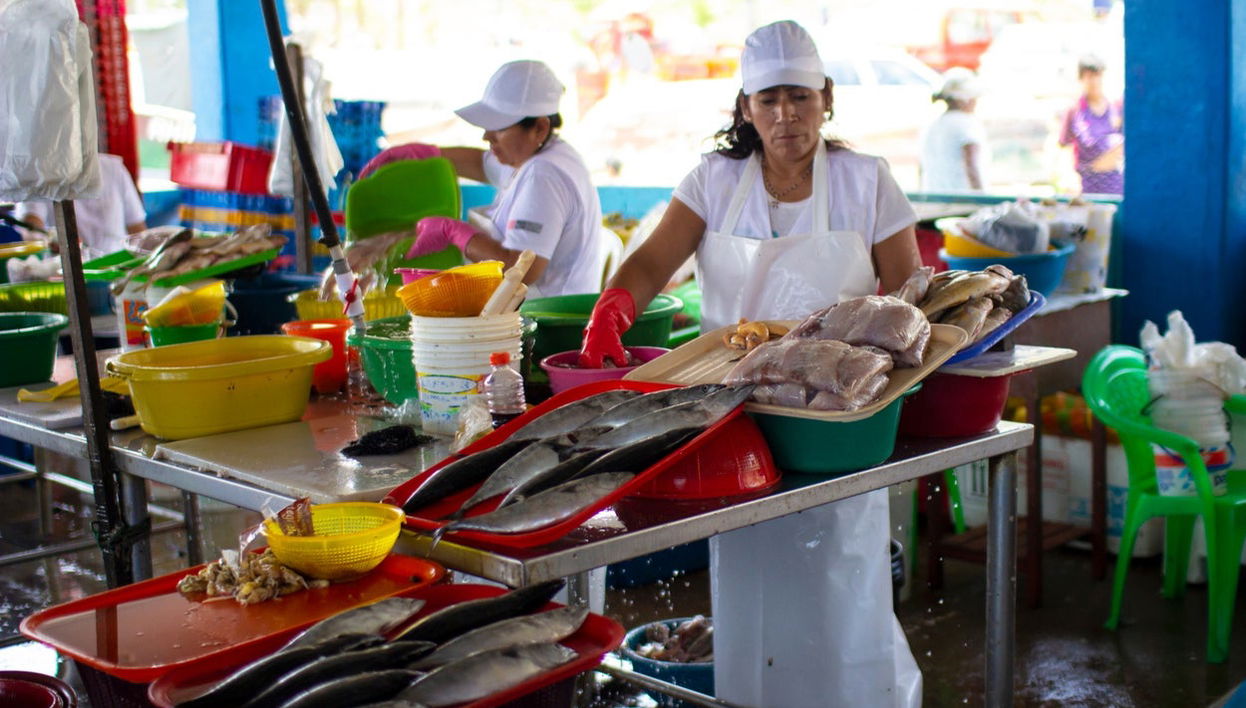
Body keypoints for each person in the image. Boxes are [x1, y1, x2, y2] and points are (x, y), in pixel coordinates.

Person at [578, 20, 922, 708]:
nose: (785, 114)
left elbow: (912, 294)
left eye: (799, 96)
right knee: (749, 569)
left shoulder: (865, 180)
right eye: (768, 99)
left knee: (841, 569)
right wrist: (614, 304)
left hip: (836, 420)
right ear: (746, 109)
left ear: (826, 98)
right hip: (735, 416)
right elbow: (652, 260)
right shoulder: (714, 180)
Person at [351, 60, 603, 298]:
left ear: (540, 127)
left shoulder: (543, 176)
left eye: (500, 128)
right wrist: (428, 154)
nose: (487, 136)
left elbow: (520, 271)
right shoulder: (541, 153)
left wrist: (456, 233)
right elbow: (481, 163)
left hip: (546, 321)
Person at [15, 153, 146, 256]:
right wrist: (49, 238)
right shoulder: (40, 173)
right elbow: (31, 225)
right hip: (62, 273)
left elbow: (137, 228)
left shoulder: (114, 169)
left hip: (116, 271)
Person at [1059, 54, 1123, 195]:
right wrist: (1069, 179)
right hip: (1086, 187)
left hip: (1116, 185)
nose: (1094, 81)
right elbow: (1064, 147)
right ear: (1081, 79)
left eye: (1097, 76)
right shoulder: (1074, 111)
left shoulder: (1116, 108)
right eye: (1089, 76)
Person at [920, 68, 989, 192]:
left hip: (935, 199)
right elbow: (971, 165)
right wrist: (981, 197)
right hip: (963, 199)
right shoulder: (967, 124)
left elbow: (922, 168)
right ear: (965, 100)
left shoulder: (933, 126)